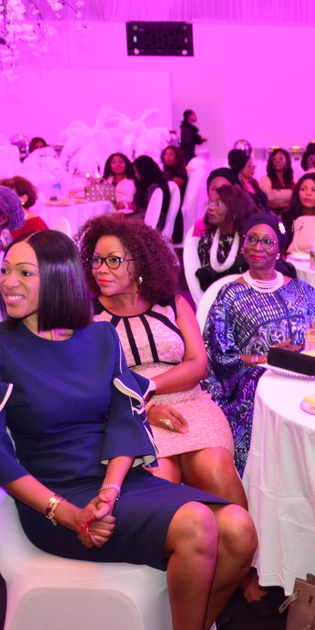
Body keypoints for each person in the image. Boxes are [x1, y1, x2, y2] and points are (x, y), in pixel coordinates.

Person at [0, 230, 256, 630]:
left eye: (24, 272)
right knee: (198, 522)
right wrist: (67, 513)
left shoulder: (100, 337)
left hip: (117, 484)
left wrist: (111, 489)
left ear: (58, 278)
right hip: (54, 498)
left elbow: (125, 418)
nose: (7, 282)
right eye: (4, 271)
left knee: (238, 529)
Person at [79, 213, 245, 506]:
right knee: (160, 485)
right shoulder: (87, 316)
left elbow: (197, 365)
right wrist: (144, 407)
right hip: (130, 415)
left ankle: (237, 534)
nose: (101, 269)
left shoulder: (172, 303)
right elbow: (92, 386)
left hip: (191, 404)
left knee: (216, 470)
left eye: (113, 260)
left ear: (140, 262)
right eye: (96, 260)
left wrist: (146, 387)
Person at [203, 214, 315, 474]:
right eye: (252, 239)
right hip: (255, 382)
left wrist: (308, 350)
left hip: (306, 375)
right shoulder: (231, 295)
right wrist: (266, 359)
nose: (258, 247)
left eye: (267, 241)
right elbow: (219, 356)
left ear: (279, 249)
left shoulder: (302, 290)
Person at [195, 185, 259, 290]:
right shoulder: (207, 241)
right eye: (210, 203)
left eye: (218, 204)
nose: (210, 208)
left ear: (235, 208)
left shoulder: (249, 240)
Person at [132, 155, 173, 235]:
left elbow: (152, 213)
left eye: (137, 172)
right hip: (147, 220)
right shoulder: (151, 184)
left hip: (153, 225)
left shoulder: (154, 187)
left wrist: (125, 218)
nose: (136, 175)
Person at [193, 168, 240, 237]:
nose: (218, 193)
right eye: (214, 189)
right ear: (208, 192)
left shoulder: (241, 222)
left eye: (223, 189)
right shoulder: (201, 225)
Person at [258, 148, 295, 214]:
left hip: (290, 212)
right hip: (273, 214)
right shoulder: (266, 179)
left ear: (287, 161)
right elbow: (269, 203)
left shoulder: (291, 180)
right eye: (274, 159)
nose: (278, 161)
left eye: (281, 159)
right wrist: (287, 205)